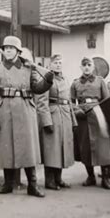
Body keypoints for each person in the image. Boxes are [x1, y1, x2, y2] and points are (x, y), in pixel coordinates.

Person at [0, 36, 54, 197]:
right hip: (4, 112)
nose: (8, 51)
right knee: (6, 149)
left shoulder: (28, 68)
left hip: (25, 110)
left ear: (18, 51)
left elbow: (37, 88)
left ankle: (32, 185)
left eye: (11, 48)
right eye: (6, 48)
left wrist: (46, 78)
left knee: (28, 150)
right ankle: (8, 184)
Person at [71, 57, 110, 189]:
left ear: (93, 67)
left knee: (103, 147)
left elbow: (107, 100)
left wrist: (106, 117)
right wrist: (77, 111)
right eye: (84, 65)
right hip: (83, 117)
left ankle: (106, 178)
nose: (87, 67)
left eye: (89, 65)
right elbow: (71, 102)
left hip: (99, 116)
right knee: (86, 148)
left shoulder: (100, 81)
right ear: (80, 67)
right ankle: (91, 176)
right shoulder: (75, 83)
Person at [36, 54, 77, 190]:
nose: (58, 65)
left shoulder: (65, 78)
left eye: (60, 62)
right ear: (50, 64)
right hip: (52, 115)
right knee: (51, 150)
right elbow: (42, 102)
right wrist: (46, 121)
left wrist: (73, 120)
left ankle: (58, 179)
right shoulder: (47, 77)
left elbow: (69, 100)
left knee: (62, 148)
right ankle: (49, 181)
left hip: (65, 115)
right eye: (56, 62)